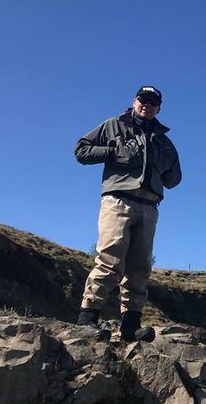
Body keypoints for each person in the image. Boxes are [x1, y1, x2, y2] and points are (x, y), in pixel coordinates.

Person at [74, 86, 182, 342]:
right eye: (143, 100)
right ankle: (86, 321)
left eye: (153, 103)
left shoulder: (164, 141)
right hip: (118, 201)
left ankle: (130, 327)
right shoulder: (113, 125)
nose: (147, 105)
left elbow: (175, 179)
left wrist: (165, 167)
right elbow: (81, 150)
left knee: (140, 268)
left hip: (150, 207)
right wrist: (112, 151)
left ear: (159, 108)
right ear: (135, 102)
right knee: (110, 260)